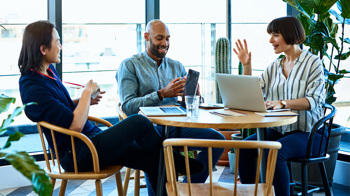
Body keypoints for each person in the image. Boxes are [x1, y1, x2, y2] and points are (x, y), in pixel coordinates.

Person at [18, 20, 203, 196]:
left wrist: (84, 101)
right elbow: (74, 126)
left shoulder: (48, 73)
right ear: (43, 49)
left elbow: (59, 109)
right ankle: (175, 159)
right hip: (77, 154)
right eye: (57, 43)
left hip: (90, 140)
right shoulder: (32, 87)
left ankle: (171, 160)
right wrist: (84, 94)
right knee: (139, 121)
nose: (61, 47)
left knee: (154, 160)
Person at [116, 19, 225, 183]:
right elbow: (129, 107)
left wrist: (195, 96)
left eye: (167, 38)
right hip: (148, 130)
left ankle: (188, 188)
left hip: (175, 126)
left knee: (217, 140)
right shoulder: (130, 65)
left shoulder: (176, 66)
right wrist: (160, 94)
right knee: (156, 150)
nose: (165, 43)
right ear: (146, 37)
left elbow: (187, 106)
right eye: (159, 38)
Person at [232, 16, 326, 196]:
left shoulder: (313, 63)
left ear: (290, 35)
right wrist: (246, 65)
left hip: (308, 133)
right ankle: (253, 193)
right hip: (280, 130)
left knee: (274, 152)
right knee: (244, 147)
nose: (270, 40)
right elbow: (252, 92)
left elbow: (314, 100)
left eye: (275, 35)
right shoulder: (274, 66)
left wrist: (283, 103)